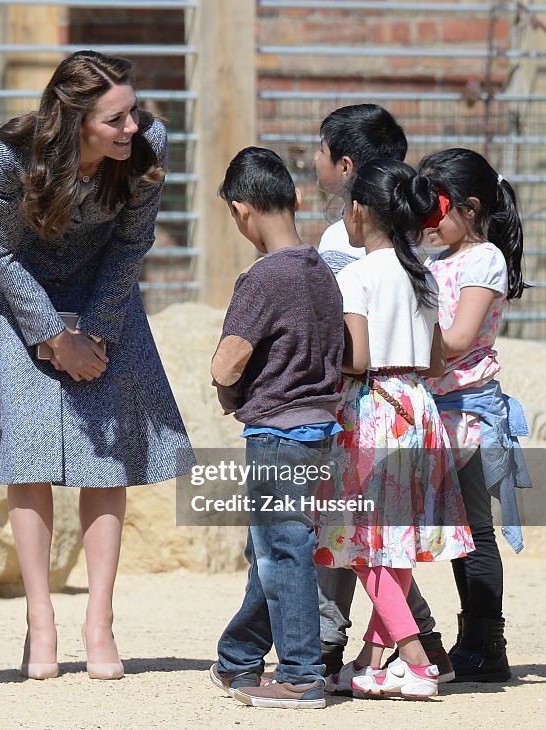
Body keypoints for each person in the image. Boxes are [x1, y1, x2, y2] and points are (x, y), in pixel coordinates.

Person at [0, 50, 193, 681]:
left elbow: (131, 245)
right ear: (74, 120)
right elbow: (2, 253)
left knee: (105, 454)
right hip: (18, 294)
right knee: (28, 452)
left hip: (103, 293)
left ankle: (100, 621)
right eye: (115, 119)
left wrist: (92, 332)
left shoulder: (148, 148)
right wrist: (51, 336)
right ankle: (41, 620)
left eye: (134, 112)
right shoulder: (13, 157)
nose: (132, 128)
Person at [312, 159, 474, 700]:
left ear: (359, 210)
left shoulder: (353, 275)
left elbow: (356, 357)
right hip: (417, 405)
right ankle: (370, 660)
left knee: (363, 544)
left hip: (373, 408)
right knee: (395, 543)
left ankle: (417, 662)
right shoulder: (422, 273)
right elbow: (434, 361)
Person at [207, 147, 344, 710]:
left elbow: (226, 363)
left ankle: (301, 675)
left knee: (282, 551)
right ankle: (239, 659)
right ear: (296, 198)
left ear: (241, 211)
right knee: (270, 545)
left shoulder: (263, 278)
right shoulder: (323, 271)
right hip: (322, 429)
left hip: (276, 434)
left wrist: (229, 393)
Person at [411, 148, 531, 682]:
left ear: (470, 206)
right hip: (434, 410)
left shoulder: (485, 259)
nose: (427, 220)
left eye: (435, 207)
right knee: (447, 531)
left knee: (474, 533)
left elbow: (459, 339)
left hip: (470, 413)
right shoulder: (434, 258)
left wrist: (401, 343)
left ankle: (485, 643)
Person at [314, 104, 407, 275]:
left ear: (345, 166)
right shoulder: (403, 234)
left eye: (322, 151)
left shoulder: (341, 240)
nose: (316, 157)